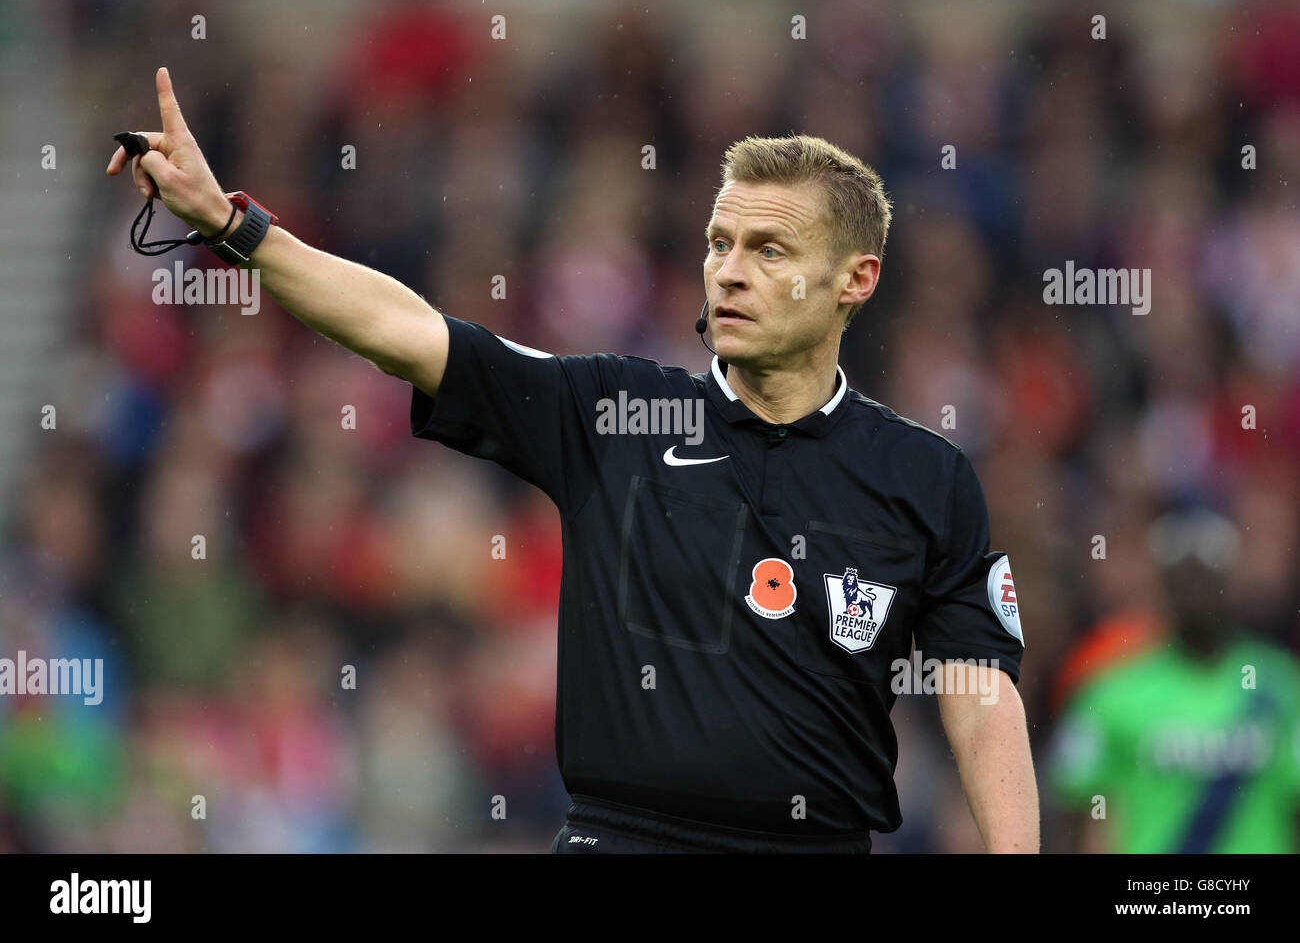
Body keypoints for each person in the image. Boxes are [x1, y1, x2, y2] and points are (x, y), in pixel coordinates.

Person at [108, 67, 1037, 853]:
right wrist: (232, 225)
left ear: (855, 280)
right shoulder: (615, 412)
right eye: (719, 243)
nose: (729, 270)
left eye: (768, 249)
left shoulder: (926, 479)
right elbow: (404, 329)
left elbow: (979, 696)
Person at [1048, 509, 1300, 853]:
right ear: (1162, 585)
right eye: (1183, 577)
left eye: (1207, 575)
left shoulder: (1280, 686)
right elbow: (1074, 813)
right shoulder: (1110, 692)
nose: (1196, 591)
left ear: (1231, 579)